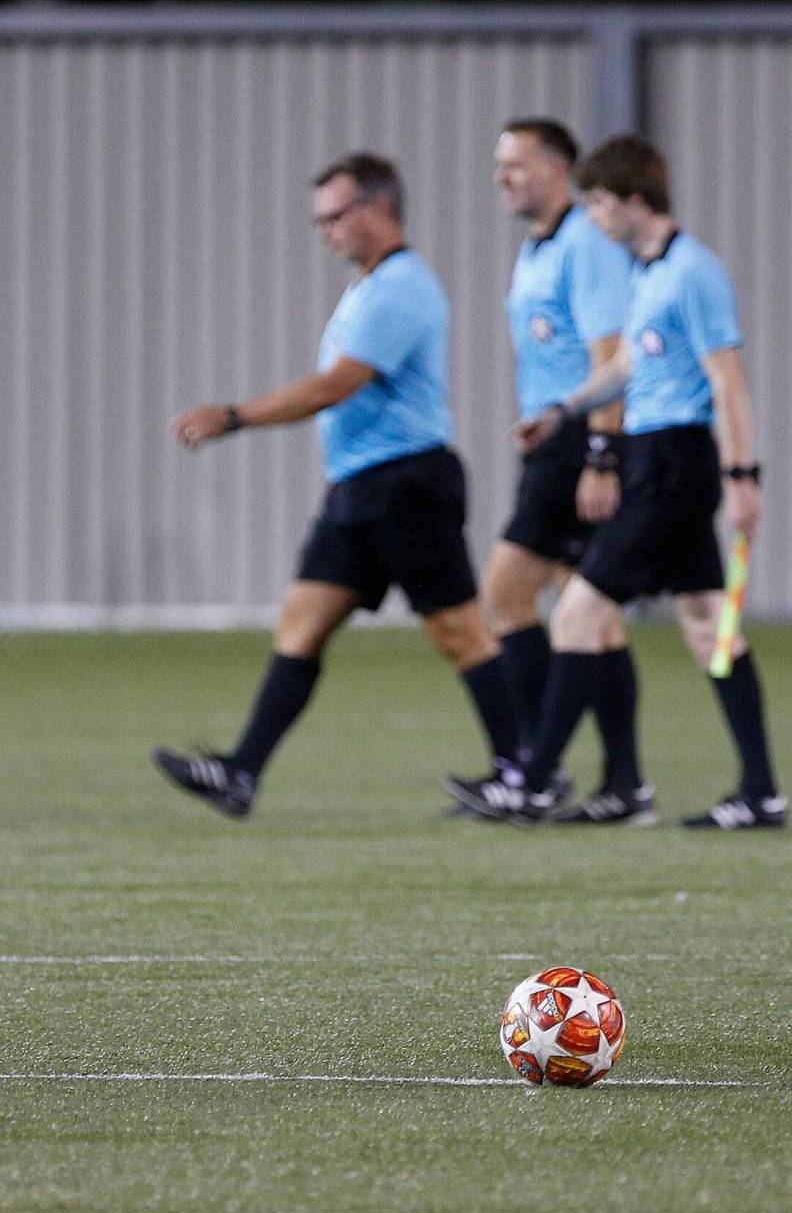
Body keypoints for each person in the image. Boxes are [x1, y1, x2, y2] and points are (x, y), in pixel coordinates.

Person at [152, 152, 520, 819]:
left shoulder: (404, 286)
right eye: (318, 220)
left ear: (378, 209)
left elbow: (333, 387)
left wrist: (232, 416)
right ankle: (241, 774)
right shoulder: (368, 286)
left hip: (408, 481)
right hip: (359, 488)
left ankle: (520, 774)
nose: (325, 231)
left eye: (334, 217)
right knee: (302, 621)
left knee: (458, 633)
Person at [446, 134, 786, 830]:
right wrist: (559, 411)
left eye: (601, 203)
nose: (594, 217)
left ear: (635, 201)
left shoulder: (693, 272)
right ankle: (760, 792)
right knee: (706, 627)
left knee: (578, 612)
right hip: (652, 458)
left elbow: (728, 384)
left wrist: (742, 477)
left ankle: (536, 781)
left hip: (674, 465)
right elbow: (626, 364)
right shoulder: (646, 273)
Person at [453, 117, 649, 815]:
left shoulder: (585, 246)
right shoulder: (539, 248)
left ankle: (536, 770)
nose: (503, 177)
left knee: (507, 594)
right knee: (588, 614)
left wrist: (602, 456)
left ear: (556, 168)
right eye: (498, 165)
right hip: (551, 444)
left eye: (516, 164)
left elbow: (610, 360)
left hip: (579, 446)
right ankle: (620, 783)